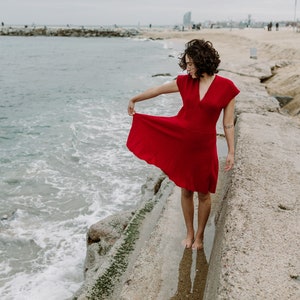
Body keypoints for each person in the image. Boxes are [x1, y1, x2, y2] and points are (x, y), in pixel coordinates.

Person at [127, 39, 240, 250]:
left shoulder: (227, 88)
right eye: (186, 64)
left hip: (205, 147)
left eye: (190, 64)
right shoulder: (185, 81)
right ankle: (189, 232)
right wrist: (135, 98)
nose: (187, 68)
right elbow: (158, 90)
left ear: (202, 61)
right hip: (181, 142)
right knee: (186, 190)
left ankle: (199, 236)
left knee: (204, 193)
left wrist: (232, 151)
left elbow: (228, 124)